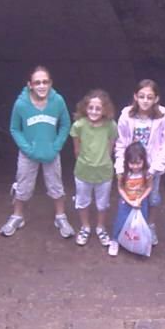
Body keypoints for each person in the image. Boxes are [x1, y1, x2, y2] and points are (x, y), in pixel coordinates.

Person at [0, 66, 74, 238]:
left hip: (51, 152)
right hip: (28, 153)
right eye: (37, 82)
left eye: (45, 82)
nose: (41, 85)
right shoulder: (21, 104)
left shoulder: (58, 101)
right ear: (30, 85)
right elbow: (14, 129)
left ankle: (60, 217)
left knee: (56, 185)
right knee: (23, 185)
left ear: (51, 83)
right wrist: (27, 148)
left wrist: (56, 146)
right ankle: (17, 216)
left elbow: (65, 125)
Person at [113, 79, 165, 246]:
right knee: (130, 196)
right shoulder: (126, 115)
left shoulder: (163, 116)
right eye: (141, 96)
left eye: (149, 97)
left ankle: (150, 225)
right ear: (135, 97)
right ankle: (127, 229)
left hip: (151, 166)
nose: (145, 100)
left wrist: (155, 168)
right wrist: (120, 166)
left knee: (152, 197)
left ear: (156, 99)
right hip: (131, 165)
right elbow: (121, 141)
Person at [69, 89, 118, 248]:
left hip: (104, 172)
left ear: (105, 109)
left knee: (102, 203)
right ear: (85, 108)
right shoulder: (79, 125)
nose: (94, 111)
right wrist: (86, 162)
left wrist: (102, 161)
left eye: (98, 108)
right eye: (91, 108)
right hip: (83, 171)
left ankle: (100, 227)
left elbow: (110, 147)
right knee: (83, 201)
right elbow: (77, 149)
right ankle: (85, 227)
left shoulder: (111, 126)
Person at [108, 141, 153, 257]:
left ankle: (141, 242)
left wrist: (140, 199)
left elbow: (149, 187)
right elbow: (120, 188)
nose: (135, 167)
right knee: (121, 221)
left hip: (141, 202)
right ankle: (115, 240)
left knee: (140, 222)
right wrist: (129, 201)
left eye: (138, 163)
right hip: (126, 202)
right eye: (132, 163)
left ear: (144, 161)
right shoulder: (123, 174)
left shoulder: (147, 174)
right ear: (127, 162)